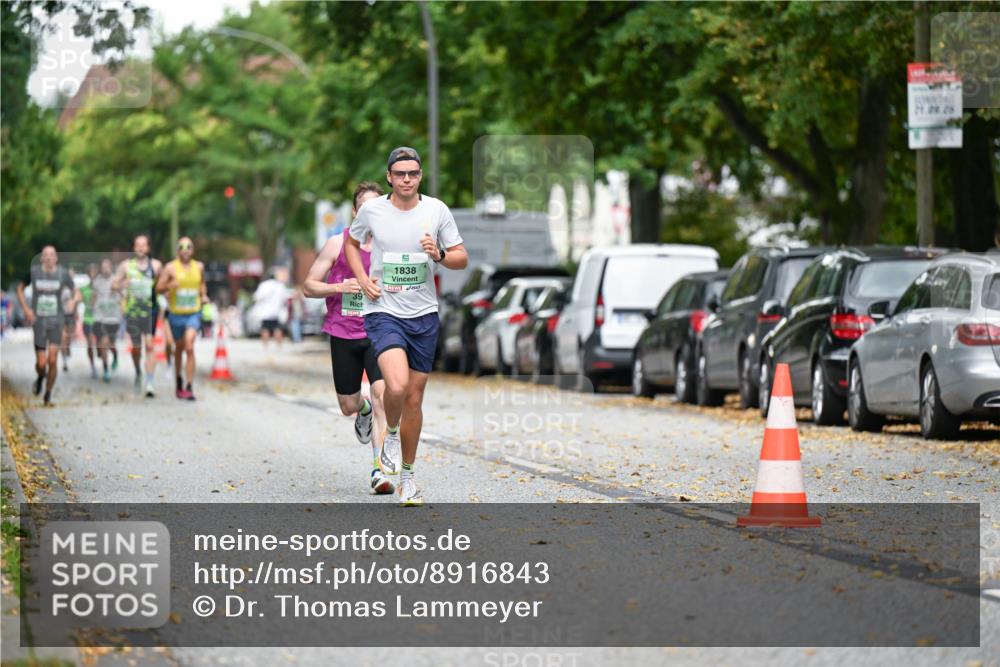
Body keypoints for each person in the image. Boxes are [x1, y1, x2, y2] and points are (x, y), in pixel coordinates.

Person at [345, 148, 468, 506]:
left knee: (414, 398)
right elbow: (352, 244)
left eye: (413, 173)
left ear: (420, 176)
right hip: (383, 310)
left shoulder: (436, 210)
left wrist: (439, 255)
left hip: (424, 315)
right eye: (400, 173)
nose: (406, 179)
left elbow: (461, 257)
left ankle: (408, 478)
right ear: (389, 176)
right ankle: (392, 435)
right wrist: (362, 279)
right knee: (395, 385)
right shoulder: (372, 211)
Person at [305, 182, 393, 496]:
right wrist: (339, 287)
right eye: (364, 208)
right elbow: (308, 286)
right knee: (347, 405)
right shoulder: (335, 243)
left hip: (380, 331)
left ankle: (379, 470)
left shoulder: (391, 246)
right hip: (343, 333)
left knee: (384, 396)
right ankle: (363, 410)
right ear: (355, 212)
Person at [16, 246, 81, 406]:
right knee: (41, 363)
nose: (49, 257)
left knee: (53, 359)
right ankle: (40, 377)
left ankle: (48, 394)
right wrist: (26, 309)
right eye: (46, 255)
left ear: (56, 258)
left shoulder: (62, 274)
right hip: (39, 323)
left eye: (52, 255)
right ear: (41, 258)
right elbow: (20, 288)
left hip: (56, 322)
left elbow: (77, 292)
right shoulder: (35, 272)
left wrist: (74, 300)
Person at [156, 236, 207, 400]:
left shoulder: (199, 267)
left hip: (193, 312)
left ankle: (190, 386)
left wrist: (204, 295)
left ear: (193, 250)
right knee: (177, 349)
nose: (185, 250)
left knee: (189, 346)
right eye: (182, 247)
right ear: (177, 250)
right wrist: (169, 285)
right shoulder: (170, 268)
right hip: (176, 314)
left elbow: (202, 284)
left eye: (189, 247)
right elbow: (158, 288)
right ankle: (178, 381)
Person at [116, 234, 162, 397]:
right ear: (134, 248)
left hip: (150, 310)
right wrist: (123, 284)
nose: (141, 248)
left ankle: (149, 382)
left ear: (148, 248)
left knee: (150, 344)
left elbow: (163, 285)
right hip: (133, 311)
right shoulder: (126, 266)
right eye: (137, 245)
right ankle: (137, 370)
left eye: (143, 245)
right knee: (136, 348)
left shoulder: (156, 266)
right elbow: (114, 285)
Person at [92, 258, 122, 382]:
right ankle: (106, 369)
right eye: (103, 267)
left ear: (111, 267)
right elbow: (93, 297)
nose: (105, 269)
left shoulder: (116, 280)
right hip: (99, 317)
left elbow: (123, 296)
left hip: (113, 318)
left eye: (107, 266)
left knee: (110, 344)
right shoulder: (96, 281)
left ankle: (115, 356)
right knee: (103, 343)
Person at [253, 268, 289, 345]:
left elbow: (257, 297)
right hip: (277, 311)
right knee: (277, 328)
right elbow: (285, 298)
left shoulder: (263, 285)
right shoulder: (280, 286)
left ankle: (265, 347)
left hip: (265, 312)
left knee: (265, 329)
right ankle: (279, 346)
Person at [81, 263, 98, 379]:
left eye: (95, 274)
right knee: (90, 343)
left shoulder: (102, 288)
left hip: (100, 320)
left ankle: (102, 355)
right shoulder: (84, 289)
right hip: (88, 319)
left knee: (102, 346)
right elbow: (79, 299)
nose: (92, 276)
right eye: (90, 273)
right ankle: (92, 366)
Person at [59, 267, 77, 371]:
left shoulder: (73, 289)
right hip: (61, 314)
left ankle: (68, 347)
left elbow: (76, 301)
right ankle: (65, 361)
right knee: (63, 338)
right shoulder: (60, 287)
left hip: (70, 315)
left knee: (68, 337)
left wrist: (75, 312)